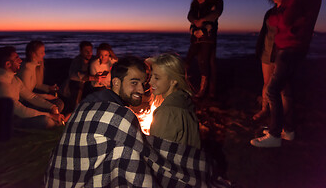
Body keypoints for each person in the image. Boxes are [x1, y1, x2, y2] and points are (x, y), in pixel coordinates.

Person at [45, 56, 230, 187]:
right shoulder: (115, 112)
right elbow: (149, 156)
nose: (141, 90)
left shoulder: (93, 101)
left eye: (144, 82)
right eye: (134, 82)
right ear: (116, 83)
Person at [251, 0, 322, 147]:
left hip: (291, 46)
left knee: (274, 89)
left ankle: (275, 135)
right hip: (289, 45)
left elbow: (288, 19)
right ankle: (287, 130)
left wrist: (276, 19)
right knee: (282, 88)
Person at [0, 46, 64, 129]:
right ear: (8, 64)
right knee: (46, 121)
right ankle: (57, 121)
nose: (20, 60)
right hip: (9, 120)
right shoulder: (1, 85)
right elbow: (22, 112)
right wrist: (50, 115)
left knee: (57, 104)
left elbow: (31, 97)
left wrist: (51, 107)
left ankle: (57, 120)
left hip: (19, 113)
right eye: (16, 58)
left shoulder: (15, 79)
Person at [253, 0, 290, 121]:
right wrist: (259, 48)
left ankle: (283, 115)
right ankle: (264, 109)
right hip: (267, 52)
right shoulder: (270, 12)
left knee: (281, 87)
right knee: (266, 83)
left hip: (281, 53)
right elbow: (264, 32)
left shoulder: (289, 11)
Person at [148, 53, 201, 149]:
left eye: (157, 78)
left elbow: (157, 153)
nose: (150, 82)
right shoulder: (185, 101)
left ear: (173, 81)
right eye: (151, 76)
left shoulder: (167, 112)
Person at [186, 0, 223, 98]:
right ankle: (185, 83)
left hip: (209, 38)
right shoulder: (196, 5)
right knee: (191, 59)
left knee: (209, 63)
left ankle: (210, 92)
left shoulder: (215, 0)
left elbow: (215, 16)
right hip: (197, 38)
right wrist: (194, 25)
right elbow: (190, 16)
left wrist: (203, 24)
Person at [18, 40, 64, 112]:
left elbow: (35, 84)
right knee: (58, 104)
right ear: (33, 54)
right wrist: (46, 96)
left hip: (30, 99)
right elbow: (26, 94)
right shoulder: (26, 69)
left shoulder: (33, 66)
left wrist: (49, 88)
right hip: (23, 102)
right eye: (42, 52)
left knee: (58, 99)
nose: (44, 54)